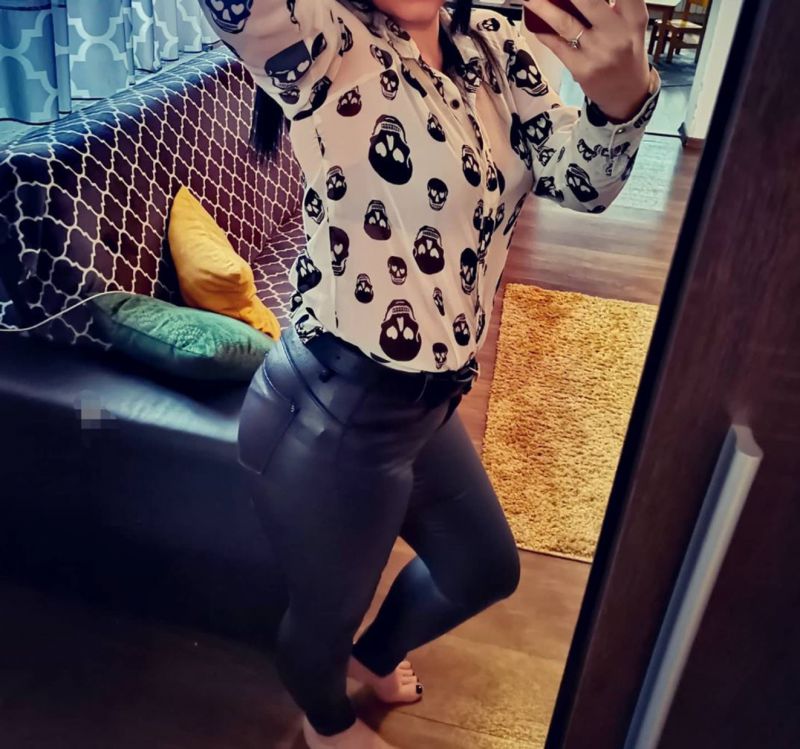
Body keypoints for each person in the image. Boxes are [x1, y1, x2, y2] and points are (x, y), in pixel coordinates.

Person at [199, 0, 660, 746]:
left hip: (429, 404)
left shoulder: (494, 42)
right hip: (332, 409)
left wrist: (621, 101)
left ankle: (373, 655)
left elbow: (582, 183)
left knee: (483, 569)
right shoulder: (323, 41)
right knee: (324, 616)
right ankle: (325, 723)